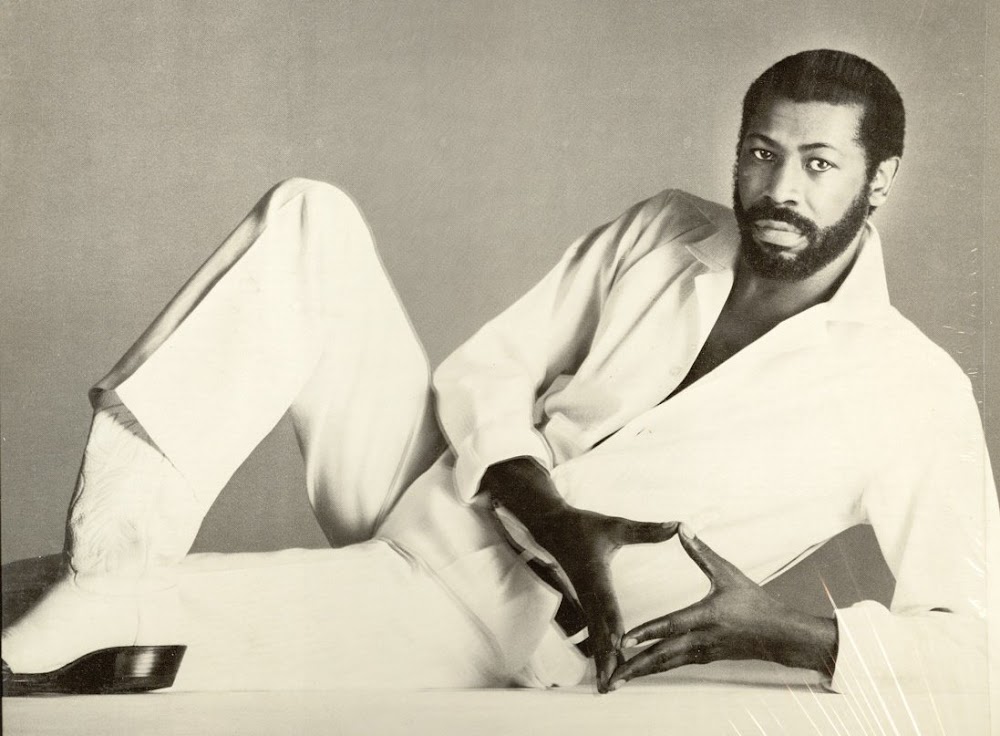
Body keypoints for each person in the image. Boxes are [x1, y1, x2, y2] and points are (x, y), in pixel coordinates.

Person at [2, 49, 996, 698]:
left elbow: (977, 642)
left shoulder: (911, 393)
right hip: (440, 493)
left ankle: (114, 602)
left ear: (879, 180)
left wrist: (788, 632)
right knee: (309, 217)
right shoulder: (665, 229)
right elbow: (487, 372)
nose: (778, 189)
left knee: (111, 629)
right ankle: (114, 554)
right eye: (761, 153)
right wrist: (549, 508)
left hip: (506, 620)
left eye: (818, 164)